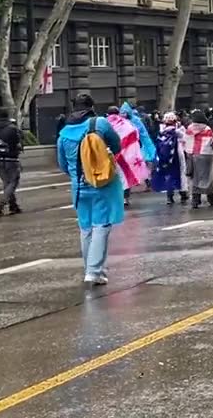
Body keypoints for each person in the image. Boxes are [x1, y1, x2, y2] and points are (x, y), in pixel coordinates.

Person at [56, 93, 124, 285]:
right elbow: (117, 146)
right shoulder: (100, 123)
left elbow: (62, 164)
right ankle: (94, 271)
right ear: (91, 107)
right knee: (101, 226)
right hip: (101, 183)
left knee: (85, 229)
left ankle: (91, 269)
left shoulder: (64, 133)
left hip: (78, 187)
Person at [105, 107, 149, 207]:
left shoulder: (105, 124)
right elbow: (135, 135)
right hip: (125, 155)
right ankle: (125, 198)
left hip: (109, 155)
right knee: (125, 176)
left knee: (112, 177)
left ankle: (113, 198)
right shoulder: (126, 123)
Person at [0, 108, 25, 216]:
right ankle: (1, 203)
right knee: (13, 182)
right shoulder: (13, 128)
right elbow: (19, 142)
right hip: (11, 159)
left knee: (7, 183)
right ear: (7, 116)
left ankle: (13, 206)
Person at [183, 110, 213, 208]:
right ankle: (211, 198)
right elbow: (212, 143)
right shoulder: (207, 129)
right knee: (208, 177)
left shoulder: (190, 129)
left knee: (195, 178)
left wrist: (189, 154)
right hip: (206, 155)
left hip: (194, 155)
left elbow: (186, 141)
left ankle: (195, 200)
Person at [154, 112, 188, 205]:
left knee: (169, 175)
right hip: (178, 154)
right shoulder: (178, 131)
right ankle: (183, 193)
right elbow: (186, 139)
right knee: (181, 173)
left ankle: (169, 196)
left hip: (165, 157)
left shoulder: (161, 132)